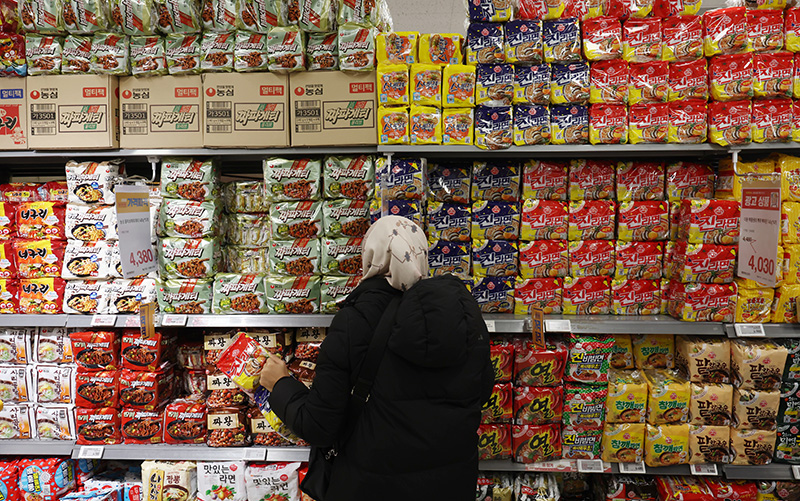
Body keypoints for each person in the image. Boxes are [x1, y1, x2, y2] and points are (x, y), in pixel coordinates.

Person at [260, 216, 493, 501]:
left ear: (371, 257)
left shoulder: (356, 321)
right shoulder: (464, 318)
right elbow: (481, 394)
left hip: (371, 487)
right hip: (451, 486)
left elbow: (319, 426)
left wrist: (281, 384)